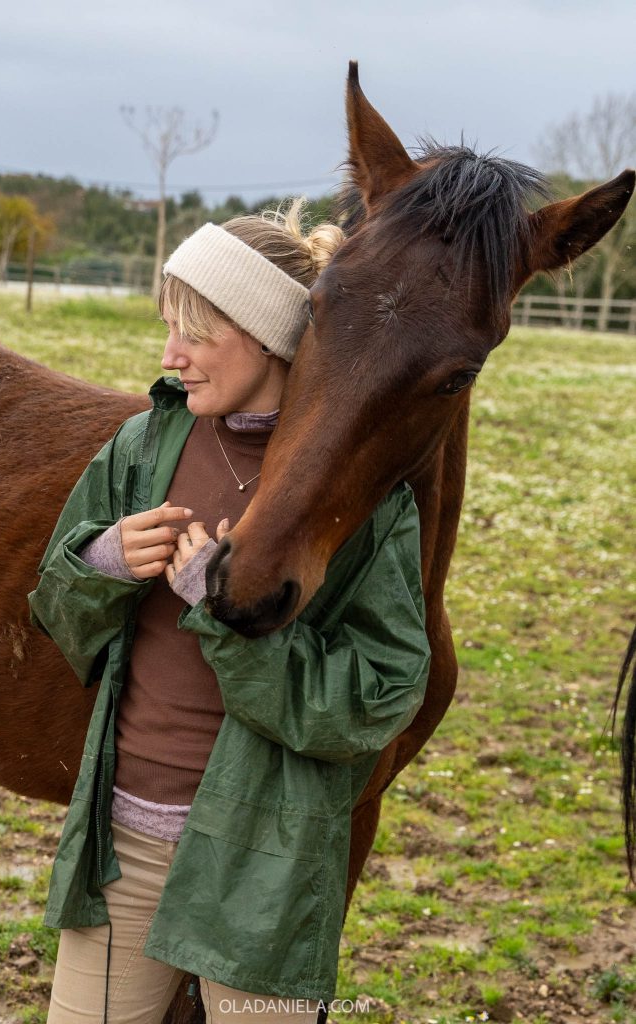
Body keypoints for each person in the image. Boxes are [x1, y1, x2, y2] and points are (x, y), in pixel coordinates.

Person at [28, 199, 432, 1024]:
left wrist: (227, 615)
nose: (169, 354)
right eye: (168, 326)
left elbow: (379, 698)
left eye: (197, 332)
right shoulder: (144, 447)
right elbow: (55, 612)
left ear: (267, 335)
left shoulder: (361, 505)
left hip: (267, 866)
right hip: (123, 847)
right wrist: (102, 564)